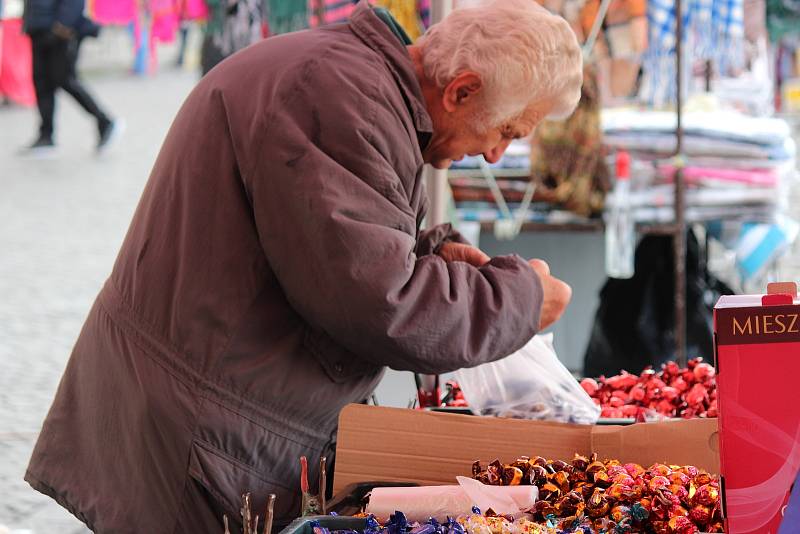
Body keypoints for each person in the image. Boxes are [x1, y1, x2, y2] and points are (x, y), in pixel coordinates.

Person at [25, 1, 582, 532]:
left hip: (210, 414)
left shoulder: (360, 86)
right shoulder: (336, 98)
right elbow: (383, 304)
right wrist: (523, 298)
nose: (494, 155)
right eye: (507, 132)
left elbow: (332, 242)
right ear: (462, 90)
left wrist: (431, 252)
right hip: (199, 433)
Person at [22, 0, 120, 154]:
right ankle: (46, 136)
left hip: (58, 32)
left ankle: (104, 121)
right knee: (42, 84)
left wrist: (62, 25)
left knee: (67, 81)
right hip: (38, 28)